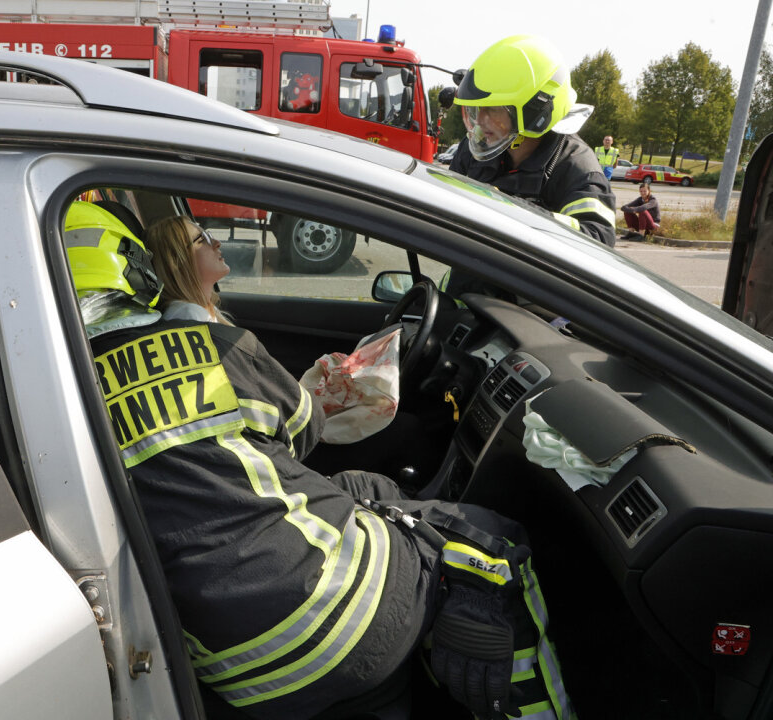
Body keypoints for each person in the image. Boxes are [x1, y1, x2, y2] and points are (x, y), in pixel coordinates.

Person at [65, 200, 576, 720]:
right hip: (326, 613)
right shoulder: (208, 344)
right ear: (135, 267)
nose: (214, 243)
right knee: (493, 545)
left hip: (237, 668)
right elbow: (303, 430)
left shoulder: (66, 391)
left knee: (362, 485)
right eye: (202, 239)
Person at [449, 35, 616, 247]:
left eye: (492, 108)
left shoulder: (576, 168)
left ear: (535, 112)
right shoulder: (474, 149)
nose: (481, 120)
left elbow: (598, 239)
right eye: (477, 109)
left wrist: (513, 210)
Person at [144, 216, 233, 324]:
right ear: (178, 261)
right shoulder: (188, 315)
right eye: (203, 239)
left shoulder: (202, 310)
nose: (217, 243)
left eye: (209, 235)